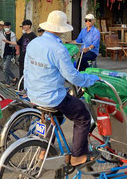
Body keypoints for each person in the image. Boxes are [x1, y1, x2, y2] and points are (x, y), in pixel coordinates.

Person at [24, 11, 100, 168]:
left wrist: (28, 89)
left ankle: (44, 150)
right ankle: (78, 156)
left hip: (33, 94)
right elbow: (72, 77)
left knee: (55, 117)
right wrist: (90, 80)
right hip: (52, 97)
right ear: (60, 29)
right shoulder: (58, 48)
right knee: (83, 115)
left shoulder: (34, 43)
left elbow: (26, 69)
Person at [1, 22, 18, 86]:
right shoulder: (2, 34)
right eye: (5, 27)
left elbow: (14, 43)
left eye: (7, 27)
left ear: (10, 27)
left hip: (10, 52)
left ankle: (10, 80)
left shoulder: (12, 34)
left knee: (5, 68)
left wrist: (7, 41)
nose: (6, 28)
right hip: (4, 52)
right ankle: (11, 79)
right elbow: (0, 44)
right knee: (5, 68)